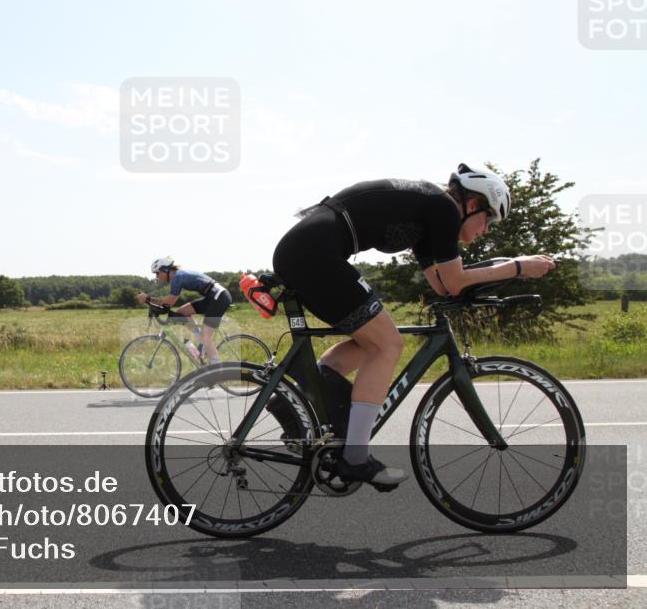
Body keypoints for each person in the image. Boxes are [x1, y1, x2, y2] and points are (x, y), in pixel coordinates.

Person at [272, 164, 556, 486]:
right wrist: (518, 267)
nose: (486, 229)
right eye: (489, 219)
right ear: (474, 204)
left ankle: (299, 405)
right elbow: (455, 279)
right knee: (388, 344)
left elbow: (443, 285)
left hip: (307, 250)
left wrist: (504, 269)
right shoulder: (445, 209)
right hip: (315, 253)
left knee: (373, 344)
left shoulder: (431, 214)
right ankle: (355, 458)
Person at [137, 257, 232, 364]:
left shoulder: (177, 277)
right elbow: (168, 303)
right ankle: (202, 345)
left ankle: (217, 373)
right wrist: (150, 301)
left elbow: (169, 302)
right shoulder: (177, 276)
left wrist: (148, 299)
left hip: (219, 298)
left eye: (157, 273)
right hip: (213, 297)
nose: (157, 276)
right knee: (182, 312)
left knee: (207, 338)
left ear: (165, 269)